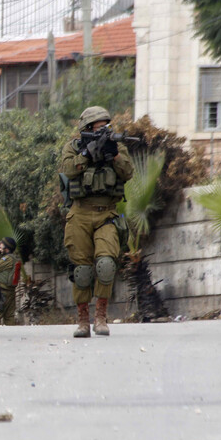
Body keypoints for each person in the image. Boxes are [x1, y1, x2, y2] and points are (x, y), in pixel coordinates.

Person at [61, 106, 134, 338]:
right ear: (87, 128)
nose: (104, 129)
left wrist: (114, 154)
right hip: (80, 214)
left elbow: (129, 172)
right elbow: (67, 170)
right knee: (81, 270)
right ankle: (83, 320)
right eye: (98, 126)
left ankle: (101, 317)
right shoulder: (73, 148)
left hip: (107, 214)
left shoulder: (116, 147)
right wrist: (88, 154)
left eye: (106, 125)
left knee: (106, 264)